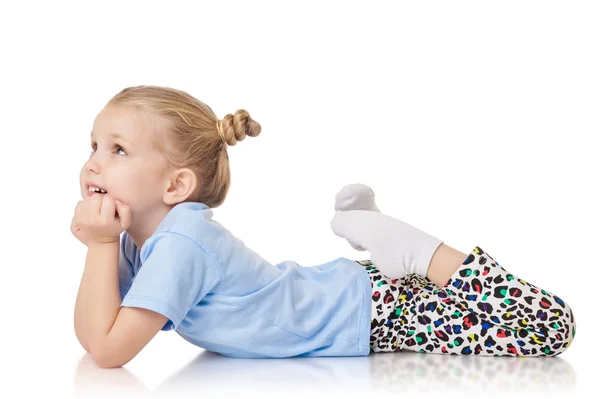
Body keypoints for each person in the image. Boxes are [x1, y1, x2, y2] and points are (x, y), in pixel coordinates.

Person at [72, 85, 576, 368]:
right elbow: (98, 334)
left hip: (373, 315)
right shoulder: (150, 242)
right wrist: (104, 242)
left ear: (176, 186)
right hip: (356, 299)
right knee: (536, 330)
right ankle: (393, 242)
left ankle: (417, 250)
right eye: (93, 146)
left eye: (117, 150)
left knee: (549, 329)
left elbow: (110, 350)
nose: (94, 163)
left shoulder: (181, 242)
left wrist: (99, 245)